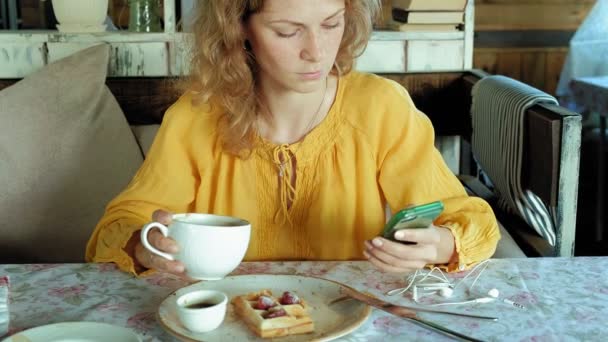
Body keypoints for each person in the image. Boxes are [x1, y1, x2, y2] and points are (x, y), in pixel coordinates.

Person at [86, 0, 500, 277]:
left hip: (347, 319)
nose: (317, 52)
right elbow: (119, 225)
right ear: (239, 29)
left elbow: (469, 219)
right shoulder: (195, 118)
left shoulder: (382, 108)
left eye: (331, 24)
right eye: (287, 32)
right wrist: (145, 244)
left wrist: (439, 244)